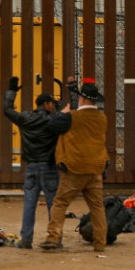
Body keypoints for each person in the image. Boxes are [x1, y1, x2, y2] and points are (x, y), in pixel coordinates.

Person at [39, 79, 108, 252]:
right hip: (95, 169)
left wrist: (63, 113)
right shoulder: (102, 118)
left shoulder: (71, 117)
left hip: (74, 169)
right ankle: (100, 242)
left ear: (82, 99)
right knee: (97, 207)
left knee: (60, 203)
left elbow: (52, 126)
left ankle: (53, 237)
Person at [2, 76, 60, 249]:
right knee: (53, 206)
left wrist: (11, 92)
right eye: (52, 103)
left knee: (29, 205)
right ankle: (55, 239)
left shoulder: (25, 118)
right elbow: (69, 116)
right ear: (46, 104)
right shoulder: (53, 120)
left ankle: (26, 240)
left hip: (31, 167)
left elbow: (7, 110)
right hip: (49, 167)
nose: (54, 105)